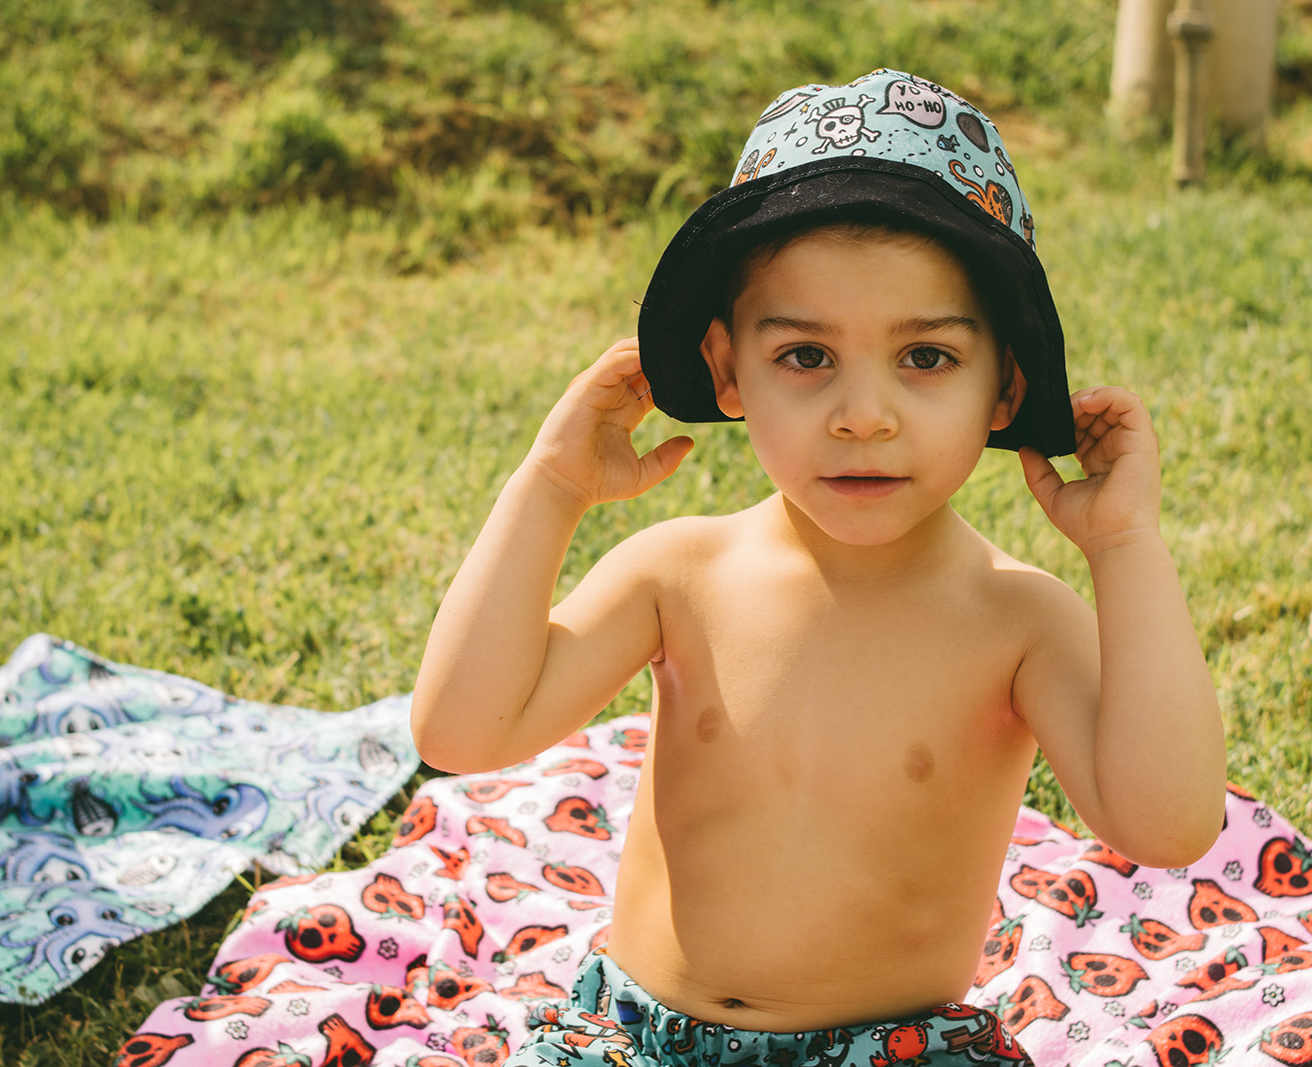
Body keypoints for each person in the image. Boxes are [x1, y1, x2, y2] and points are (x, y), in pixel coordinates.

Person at [410, 69, 1226, 1067]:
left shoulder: (1017, 620)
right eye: (805, 356)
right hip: (634, 1039)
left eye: (924, 358)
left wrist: (1124, 547)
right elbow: (459, 729)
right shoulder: (679, 572)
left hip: (896, 1050)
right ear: (724, 371)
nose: (863, 413)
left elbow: (1169, 822)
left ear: (1004, 385)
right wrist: (550, 486)